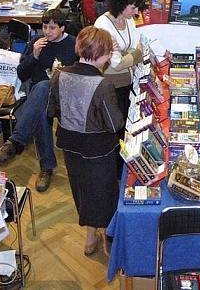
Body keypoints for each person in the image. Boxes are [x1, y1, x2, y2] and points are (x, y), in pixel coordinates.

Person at [47, 26, 125, 256]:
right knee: (104, 192)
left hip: (70, 144)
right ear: (101, 55)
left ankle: (90, 237)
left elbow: (51, 110)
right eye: (109, 53)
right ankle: (108, 239)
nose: (110, 57)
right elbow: (114, 124)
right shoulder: (103, 85)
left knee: (81, 189)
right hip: (98, 149)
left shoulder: (59, 75)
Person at [0, 10, 79, 192]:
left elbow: (81, 72)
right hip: (40, 96)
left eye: (52, 28)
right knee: (41, 105)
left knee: (44, 88)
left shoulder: (74, 44)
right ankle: (46, 168)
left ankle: (15, 143)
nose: (47, 31)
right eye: (45, 27)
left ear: (62, 28)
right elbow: (21, 74)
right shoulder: (36, 43)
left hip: (65, 97)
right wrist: (34, 55)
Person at [94, 0, 146, 112]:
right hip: (111, 85)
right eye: (133, 7)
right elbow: (116, 64)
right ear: (122, 4)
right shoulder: (103, 25)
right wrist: (136, 54)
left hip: (128, 81)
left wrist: (126, 54)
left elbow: (137, 44)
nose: (136, 12)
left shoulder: (128, 20)